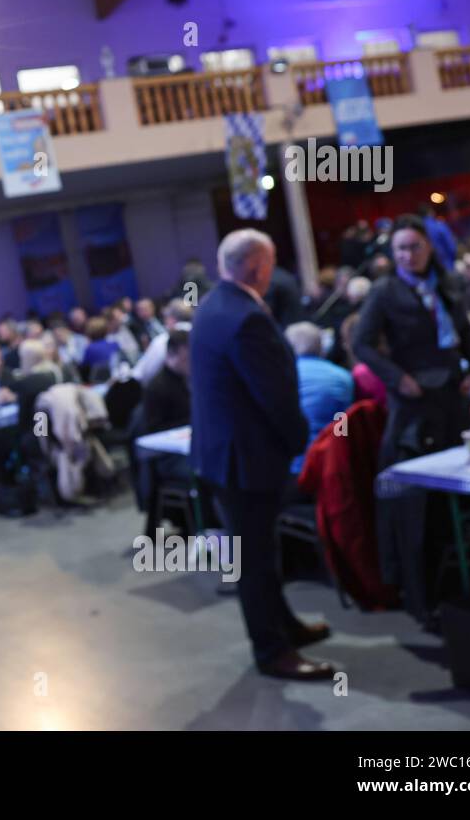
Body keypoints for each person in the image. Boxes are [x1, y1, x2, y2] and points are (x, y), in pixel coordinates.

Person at [189, 229, 328, 680]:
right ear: (257, 266)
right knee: (255, 561)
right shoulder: (246, 317)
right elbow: (275, 395)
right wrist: (296, 441)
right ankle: (272, 651)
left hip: (223, 455)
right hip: (245, 457)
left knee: (262, 554)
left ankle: (283, 627)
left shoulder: (212, 305)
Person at [354, 214, 470, 622]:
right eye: (400, 250)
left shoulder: (447, 284)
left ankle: (468, 585)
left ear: (429, 247)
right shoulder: (385, 292)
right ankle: (423, 596)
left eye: (415, 247)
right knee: (418, 506)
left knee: (461, 495)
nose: (408, 255)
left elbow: (466, 334)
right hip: (413, 407)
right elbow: (362, 344)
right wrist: (398, 378)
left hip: (452, 399)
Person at [284, 322, 354, 476]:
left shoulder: (281, 376)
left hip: (292, 466)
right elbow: (342, 428)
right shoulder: (343, 377)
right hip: (331, 465)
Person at [132, 301, 193, 386]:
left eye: (166, 318)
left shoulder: (163, 341)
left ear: (171, 319)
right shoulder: (200, 333)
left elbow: (140, 374)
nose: (165, 322)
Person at [80, 316, 120, 381]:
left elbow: (83, 369)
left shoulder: (90, 349)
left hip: (96, 383)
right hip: (115, 380)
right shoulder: (115, 345)